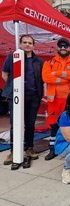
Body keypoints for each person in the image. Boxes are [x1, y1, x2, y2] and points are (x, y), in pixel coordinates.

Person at [2, 35, 44, 168]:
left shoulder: (39, 61)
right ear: (20, 44)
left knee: (30, 124)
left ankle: (29, 148)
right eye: (25, 42)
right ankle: (13, 151)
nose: (27, 45)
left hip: (33, 97)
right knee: (15, 124)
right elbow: (5, 74)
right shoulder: (12, 57)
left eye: (30, 43)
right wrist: (14, 88)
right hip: (16, 97)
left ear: (33, 45)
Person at [42, 38, 70, 161]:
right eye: (61, 46)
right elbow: (46, 77)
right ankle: (53, 149)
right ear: (57, 48)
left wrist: (57, 74)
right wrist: (65, 77)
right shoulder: (48, 62)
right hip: (54, 101)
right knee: (54, 125)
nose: (63, 48)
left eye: (66, 46)